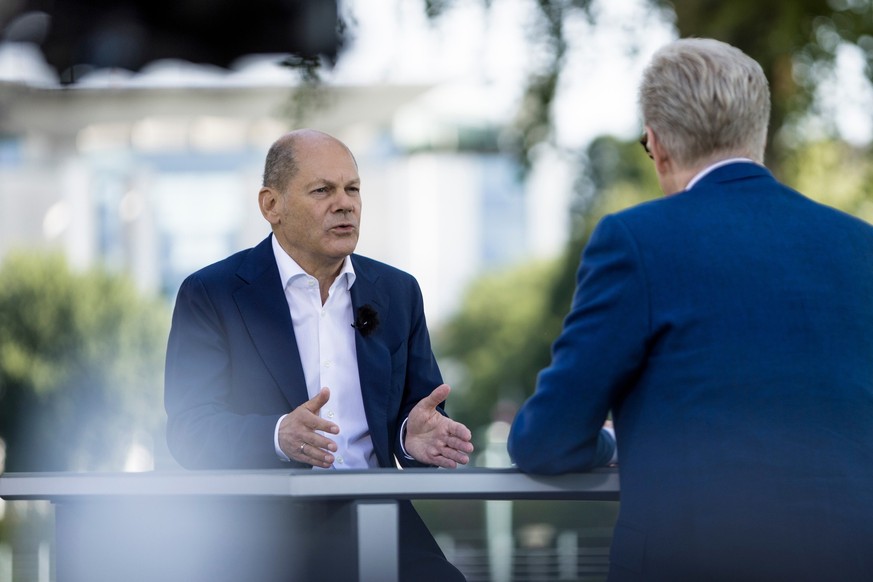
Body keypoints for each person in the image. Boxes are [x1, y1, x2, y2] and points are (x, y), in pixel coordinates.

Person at [508, 38, 873, 581]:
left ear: (657, 144)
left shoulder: (635, 240)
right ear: (761, 131)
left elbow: (546, 440)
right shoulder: (859, 245)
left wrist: (614, 441)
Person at [164, 128, 474, 581]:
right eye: (322, 190)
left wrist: (411, 436)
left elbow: (421, 411)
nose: (344, 203)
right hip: (263, 533)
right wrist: (278, 437)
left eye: (353, 189)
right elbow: (190, 430)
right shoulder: (212, 293)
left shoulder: (397, 291)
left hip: (380, 518)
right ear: (272, 205)